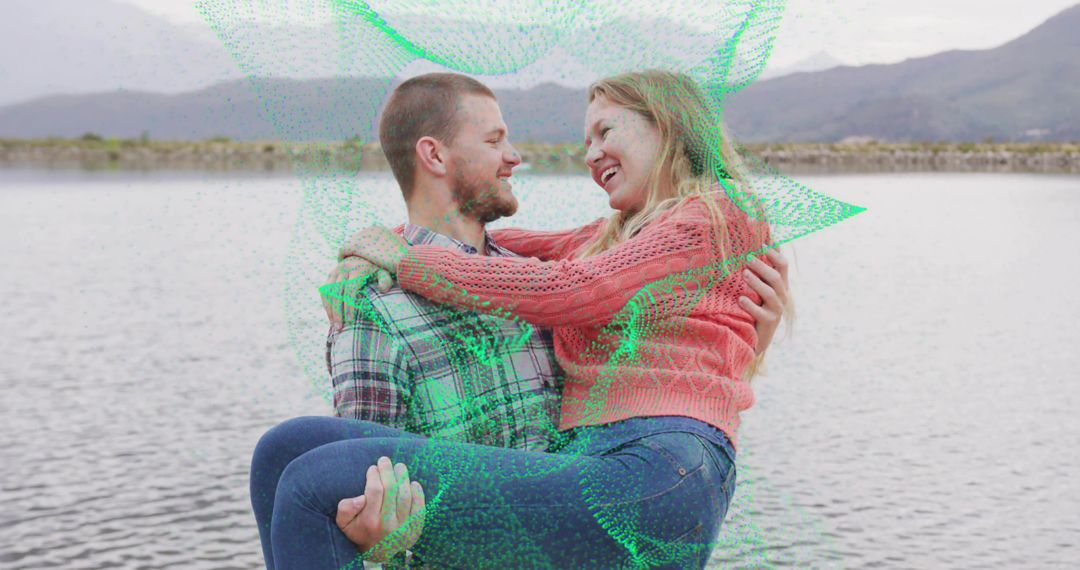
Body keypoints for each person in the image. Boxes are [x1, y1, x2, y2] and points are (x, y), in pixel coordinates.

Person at [252, 70, 790, 569]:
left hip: (660, 467)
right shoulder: (614, 238)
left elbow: (571, 289)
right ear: (433, 155)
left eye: (605, 132)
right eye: (587, 142)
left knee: (314, 481)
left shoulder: (715, 214)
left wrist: (402, 259)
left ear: (668, 125)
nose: (592, 153)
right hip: (601, 463)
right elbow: (517, 248)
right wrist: (378, 247)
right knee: (281, 450)